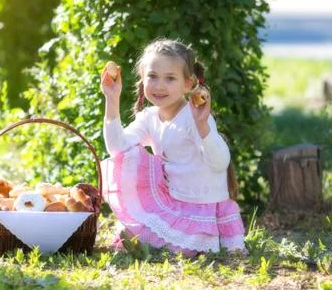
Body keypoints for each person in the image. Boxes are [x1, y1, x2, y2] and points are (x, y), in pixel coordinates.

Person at [100, 38, 246, 257]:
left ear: (188, 84)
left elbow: (220, 162)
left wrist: (203, 125)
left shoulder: (193, 117)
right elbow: (117, 148)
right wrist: (112, 100)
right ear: (142, 77)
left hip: (198, 206)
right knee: (129, 157)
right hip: (173, 203)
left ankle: (190, 243)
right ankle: (162, 240)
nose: (159, 85)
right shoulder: (149, 117)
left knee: (176, 249)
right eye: (152, 76)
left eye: (170, 78)